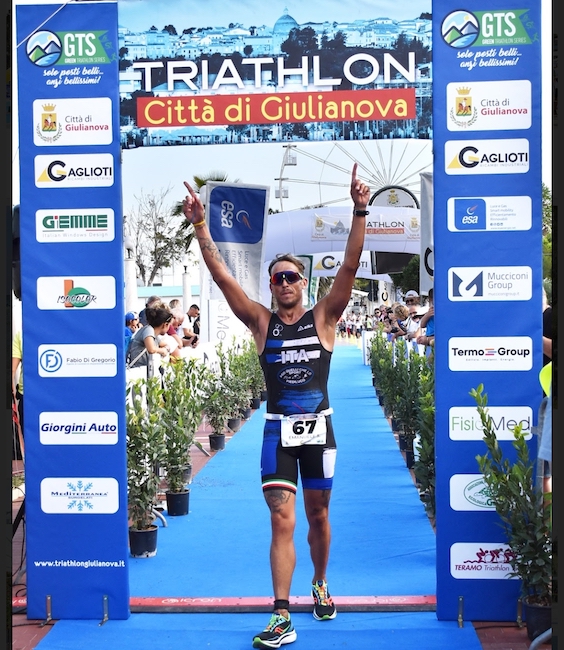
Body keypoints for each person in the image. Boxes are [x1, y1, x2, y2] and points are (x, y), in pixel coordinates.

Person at [182, 164, 369, 649]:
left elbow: (349, 267)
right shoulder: (262, 323)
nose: (284, 283)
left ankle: (320, 582)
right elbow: (222, 277)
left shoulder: (324, 317)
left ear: (303, 282)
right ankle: (281, 614)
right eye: (277, 278)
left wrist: (360, 211)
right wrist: (200, 225)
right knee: (281, 518)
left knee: (318, 518)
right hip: (277, 433)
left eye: (291, 277)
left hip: (320, 430)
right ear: (270, 287)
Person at [12, 331, 24, 460]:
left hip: (26, 394)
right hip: (27, 394)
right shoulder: (21, 334)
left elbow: (12, 369)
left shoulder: (21, 334)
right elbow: (12, 369)